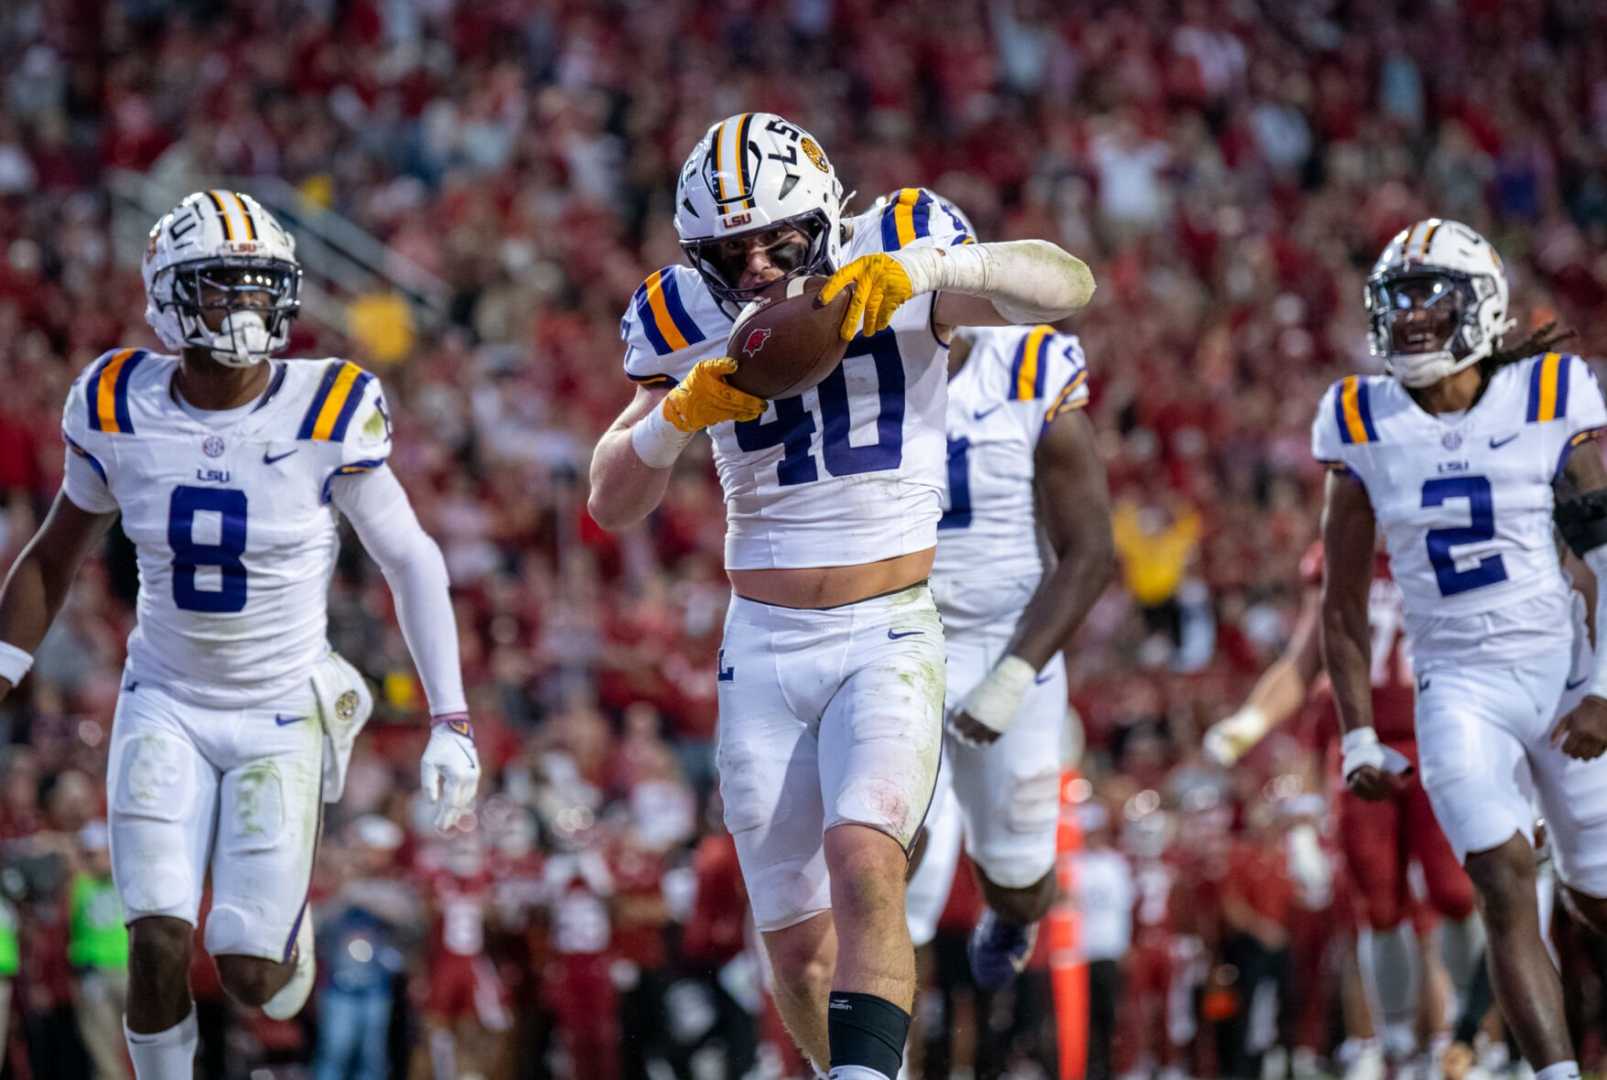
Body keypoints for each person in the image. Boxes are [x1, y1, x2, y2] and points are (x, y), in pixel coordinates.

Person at [587, 113, 1095, 1078]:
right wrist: (673, 420)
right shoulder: (674, 313)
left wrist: (933, 273)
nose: (758, 274)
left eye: (778, 244)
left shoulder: (894, 246)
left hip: (886, 625)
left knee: (868, 861)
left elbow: (1068, 286)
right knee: (792, 945)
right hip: (761, 639)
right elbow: (610, 503)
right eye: (727, 255)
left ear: (824, 219)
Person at [0, 191, 482, 1079]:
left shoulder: (325, 405)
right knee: (153, 937)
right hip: (166, 702)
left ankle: (281, 929)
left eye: (261, 289)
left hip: (279, 707)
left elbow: (410, 560)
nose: (248, 309)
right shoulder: (117, 402)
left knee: (251, 974)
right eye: (222, 289)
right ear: (169, 298)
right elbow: (53, 555)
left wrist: (449, 718)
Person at [1315, 218, 1607, 1080]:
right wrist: (1358, 734)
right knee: (1502, 885)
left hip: (1563, 673)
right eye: (1393, 299)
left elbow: (1603, 550)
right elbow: (1337, 602)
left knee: (1594, 900)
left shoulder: (1548, 393)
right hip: (1457, 690)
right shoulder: (1358, 418)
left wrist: (1605, 689)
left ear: (1479, 305)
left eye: (1425, 295)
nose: (1406, 317)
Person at [1203, 536, 1479, 1073]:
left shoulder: (1443, 535)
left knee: (1456, 892)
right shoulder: (1339, 553)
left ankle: (1473, 1035)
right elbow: (1304, 658)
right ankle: (1395, 1041)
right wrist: (1251, 722)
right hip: (1362, 741)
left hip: (1440, 738)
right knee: (1377, 905)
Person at [903, 316, 1113, 990]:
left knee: (1019, 878)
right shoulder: (849, 379)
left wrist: (1012, 677)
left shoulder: (1024, 369)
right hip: (902, 638)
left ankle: (1013, 916)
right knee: (896, 849)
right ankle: (871, 1053)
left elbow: (1090, 550)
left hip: (1010, 638)